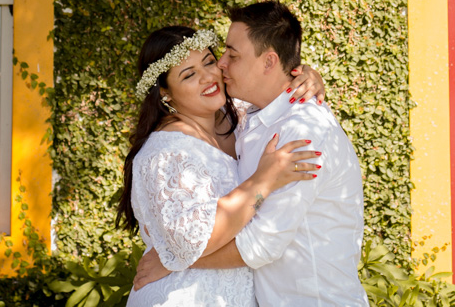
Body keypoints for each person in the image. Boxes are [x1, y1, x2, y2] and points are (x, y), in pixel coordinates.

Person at [134, 1, 369, 306]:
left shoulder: (278, 127)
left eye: (223, 57)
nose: (217, 68)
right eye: (189, 74)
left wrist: (175, 259)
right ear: (164, 93)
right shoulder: (172, 150)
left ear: (269, 62)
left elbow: (261, 243)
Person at [117, 25, 323, 307]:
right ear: (165, 93)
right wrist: (264, 180)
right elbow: (189, 244)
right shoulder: (164, 154)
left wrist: (307, 75)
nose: (209, 77)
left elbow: (272, 85)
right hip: (182, 298)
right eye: (189, 75)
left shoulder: (235, 115)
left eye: (209, 62)